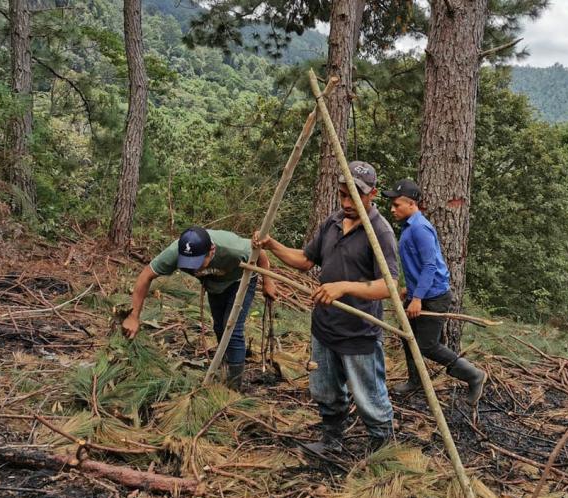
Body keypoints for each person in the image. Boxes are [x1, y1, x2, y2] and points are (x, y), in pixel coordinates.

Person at [253, 161, 397, 454]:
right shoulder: (331, 223)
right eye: (343, 195)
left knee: (368, 394)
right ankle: (332, 440)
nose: (346, 202)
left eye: (354, 196)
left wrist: (343, 287)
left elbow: (388, 286)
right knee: (326, 390)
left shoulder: (379, 232)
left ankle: (383, 448)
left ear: (373, 195)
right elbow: (306, 260)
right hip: (325, 325)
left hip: (358, 331)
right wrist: (273, 246)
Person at [122, 226, 277, 390]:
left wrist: (268, 282)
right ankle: (225, 367)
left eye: (197, 262)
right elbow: (145, 276)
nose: (194, 268)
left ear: (212, 250)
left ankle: (234, 387)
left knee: (232, 329)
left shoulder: (233, 249)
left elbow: (260, 253)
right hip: (215, 285)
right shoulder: (175, 252)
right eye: (188, 263)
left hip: (241, 280)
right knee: (219, 327)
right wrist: (133, 316)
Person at [382, 179, 487, 404]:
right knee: (407, 336)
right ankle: (415, 381)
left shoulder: (420, 228)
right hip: (419, 293)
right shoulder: (408, 226)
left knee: (427, 345)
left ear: (411, 204)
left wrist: (418, 297)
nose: (392, 208)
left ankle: (474, 375)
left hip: (434, 296)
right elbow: (416, 264)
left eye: (397, 204)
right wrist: (409, 290)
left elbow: (430, 265)